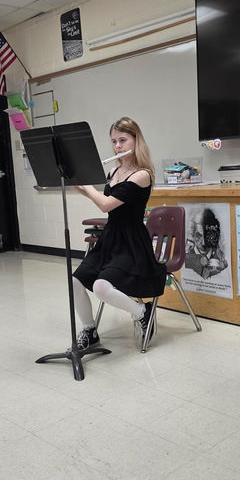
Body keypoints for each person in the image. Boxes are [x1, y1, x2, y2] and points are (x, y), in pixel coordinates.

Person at [72, 117, 167, 350]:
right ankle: (89, 330)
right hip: (110, 238)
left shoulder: (142, 174)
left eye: (123, 140)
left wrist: (89, 189)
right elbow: (105, 202)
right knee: (74, 281)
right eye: (114, 141)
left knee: (101, 287)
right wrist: (82, 189)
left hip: (132, 242)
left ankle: (142, 312)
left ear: (137, 140)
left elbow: (105, 205)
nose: (118, 146)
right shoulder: (113, 170)